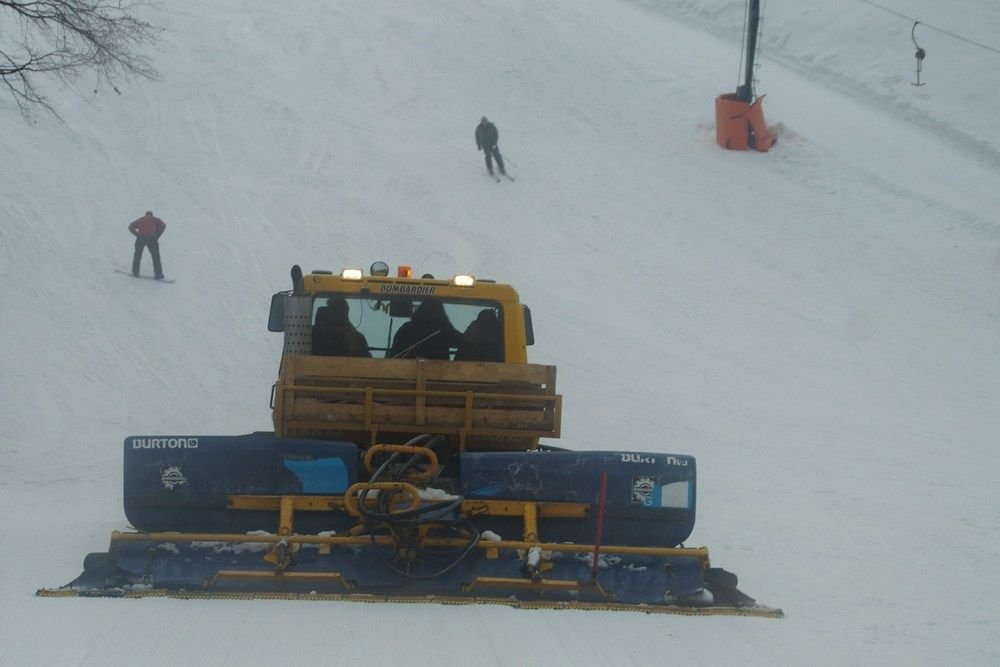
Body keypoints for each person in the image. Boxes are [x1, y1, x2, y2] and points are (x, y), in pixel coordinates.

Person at [389, 299, 461, 360]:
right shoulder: (445, 330)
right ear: (440, 312)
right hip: (439, 373)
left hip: (403, 373)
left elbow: (395, 352)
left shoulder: (406, 328)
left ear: (420, 310)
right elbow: (463, 343)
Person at [128, 211, 166, 279]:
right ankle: (158, 274)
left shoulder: (141, 219)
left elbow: (131, 226)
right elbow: (163, 225)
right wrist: (158, 235)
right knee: (155, 256)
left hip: (141, 238)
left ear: (145, 215)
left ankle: (135, 271)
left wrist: (137, 234)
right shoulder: (155, 219)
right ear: (152, 215)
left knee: (137, 255)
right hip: (152, 239)